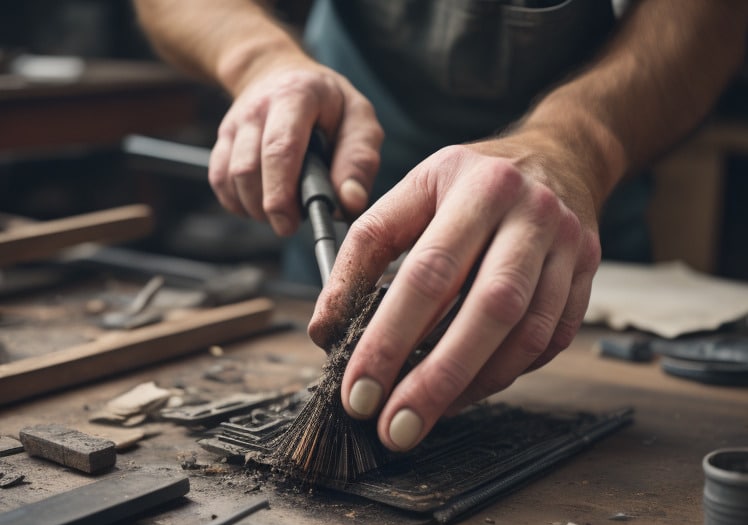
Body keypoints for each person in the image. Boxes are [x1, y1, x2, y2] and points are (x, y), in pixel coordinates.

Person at [133, 0, 748, 453]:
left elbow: (711, 17)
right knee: (339, 335)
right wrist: (260, 61)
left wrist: (581, 145)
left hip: (564, 214)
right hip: (351, 189)